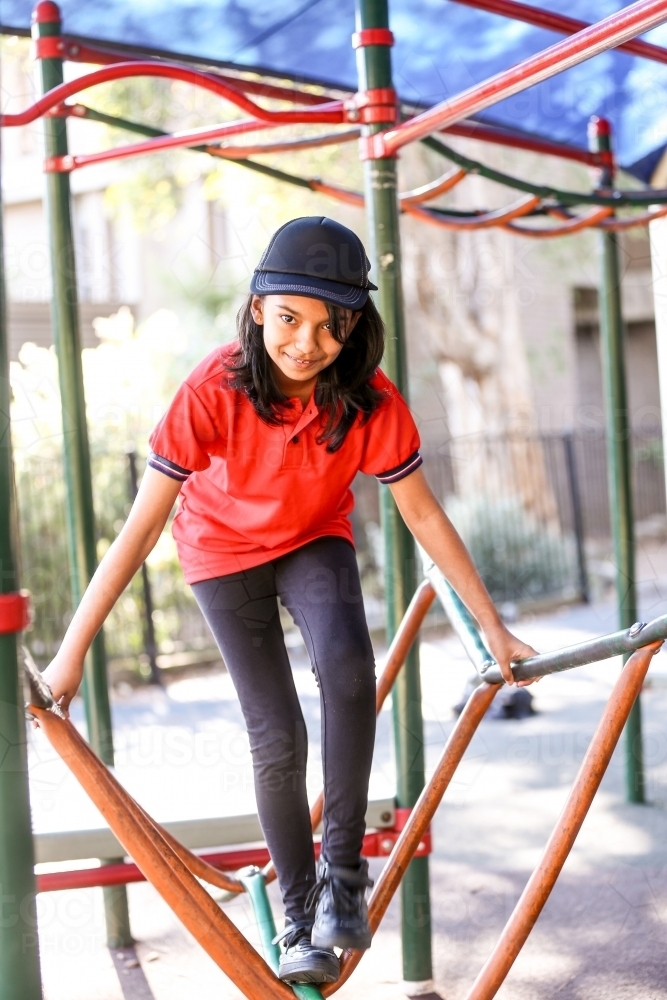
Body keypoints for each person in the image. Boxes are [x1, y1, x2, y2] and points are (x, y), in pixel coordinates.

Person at [42, 216, 537, 986]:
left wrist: (495, 629)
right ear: (255, 309)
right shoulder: (211, 391)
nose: (306, 342)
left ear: (353, 329)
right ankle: (299, 915)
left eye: (330, 326)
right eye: (288, 319)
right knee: (276, 734)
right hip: (219, 553)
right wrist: (71, 653)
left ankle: (343, 878)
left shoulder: (367, 401)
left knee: (347, 672)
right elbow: (139, 531)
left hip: (313, 538)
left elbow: (424, 514)